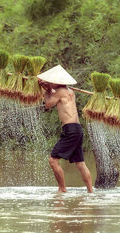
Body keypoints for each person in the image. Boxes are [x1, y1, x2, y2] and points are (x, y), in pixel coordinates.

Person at [37, 65, 93, 193]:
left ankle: (62, 188)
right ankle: (90, 192)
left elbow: (47, 105)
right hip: (77, 129)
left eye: (51, 81)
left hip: (70, 130)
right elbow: (52, 99)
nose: (49, 82)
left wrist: (46, 89)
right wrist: (48, 88)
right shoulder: (69, 91)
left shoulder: (61, 91)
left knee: (53, 161)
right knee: (80, 163)